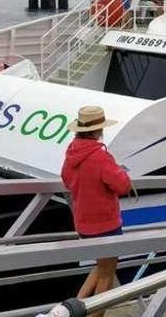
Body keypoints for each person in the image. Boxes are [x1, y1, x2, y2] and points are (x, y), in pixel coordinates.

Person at [61, 106, 131, 316]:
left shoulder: (72, 151)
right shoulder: (100, 155)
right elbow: (122, 186)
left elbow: (66, 179)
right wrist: (122, 172)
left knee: (101, 268)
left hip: (83, 224)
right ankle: (94, 314)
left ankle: (69, 311)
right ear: (98, 130)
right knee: (106, 275)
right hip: (106, 225)